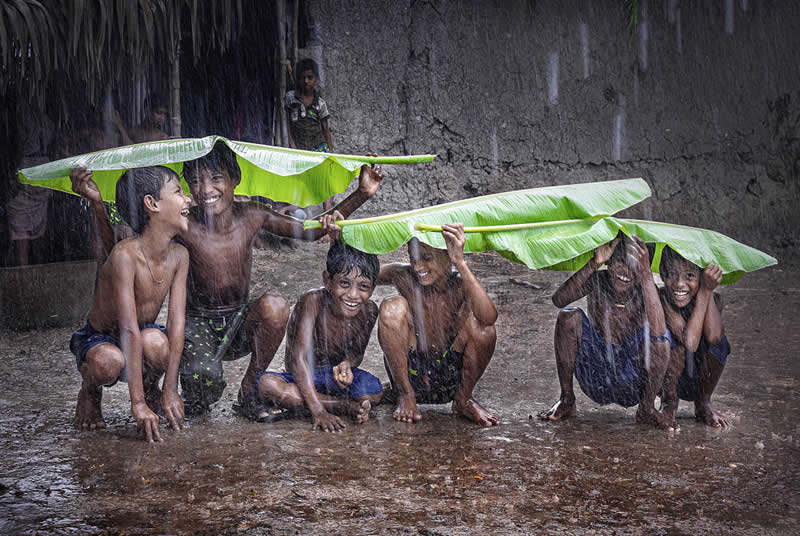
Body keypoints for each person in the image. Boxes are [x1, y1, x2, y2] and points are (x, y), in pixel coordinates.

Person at [70, 141, 383, 419]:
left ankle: (249, 391)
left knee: (274, 306)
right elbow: (123, 246)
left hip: (238, 321)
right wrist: (98, 206)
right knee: (203, 389)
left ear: (236, 180)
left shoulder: (253, 215)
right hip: (197, 323)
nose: (206, 190)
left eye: (216, 178)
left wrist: (361, 194)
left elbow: (312, 231)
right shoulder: (181, 224)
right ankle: (184, 396)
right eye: (194, 182)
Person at [69, 166, 190, 442]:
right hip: (101, 338)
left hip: (142, 328)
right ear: (152, 204)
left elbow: (177, 324)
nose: (188, 199)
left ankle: (152, 390)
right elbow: (128, 329)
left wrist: (170, 389)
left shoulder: (180, 255)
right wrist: (135, 405)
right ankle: (90, 390)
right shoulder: (125, 255)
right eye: (179, 192)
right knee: (109, 363)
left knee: (159, 344)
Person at [255, 213, 383, 431]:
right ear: (327, 281)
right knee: (267, 385)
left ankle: (300, 404)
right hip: (303, 376)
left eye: (363, 287)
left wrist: (347, 365)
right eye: (344, 283)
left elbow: (357, 353)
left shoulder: (370, 310)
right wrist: (318, 411)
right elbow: (298, 360)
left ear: (373, 288)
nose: (353, 295)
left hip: (333, 380)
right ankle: (342, 406)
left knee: (375, 391)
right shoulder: (312, 301)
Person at [539, 234, 672, 428]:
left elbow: (659, 331)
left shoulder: (647, 291)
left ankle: (647, 407)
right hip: (597, 373)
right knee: (568, 317)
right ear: (609, 261)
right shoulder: (598, 280)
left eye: (634, 264)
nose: (625, 271)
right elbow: (559, 300)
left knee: (661, 339)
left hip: (635, 380)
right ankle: (567, 399)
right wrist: (595, 262)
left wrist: (646, 276)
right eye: (619, 260)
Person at [376, 223, 500, 427]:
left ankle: (463, 399)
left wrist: (460, 263)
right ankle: (405, 395)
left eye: (426, 258)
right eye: (413, 258)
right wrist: (338, 240)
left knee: (483, 328)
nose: (418, 267)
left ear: (447, 254)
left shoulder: (460, 283)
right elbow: (359, 272)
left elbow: (488, 319)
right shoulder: (403, 275)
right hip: (412, 374)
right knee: (391, 307)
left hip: (450, 377)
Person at [658, 246, 730, 427]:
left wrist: (707, 291)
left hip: (699, 380)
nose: (679, 284)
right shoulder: (662, 299)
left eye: (689, 276)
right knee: (675, 345)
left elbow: (715, 338)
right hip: (668, 380)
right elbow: (689, 342)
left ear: (701, 278)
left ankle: (704, 403)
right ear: (662, 274)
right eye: (672, 274)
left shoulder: (715, 298)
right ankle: (669, 404)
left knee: (722, 344)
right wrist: (704, 291)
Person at [285, 58, 335, 212]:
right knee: (301, 179)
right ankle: (296, 210)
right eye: (302, 78)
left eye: (310, 78)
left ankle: (326, 212)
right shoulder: (291, 98)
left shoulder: (320, 104)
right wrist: (292, 144)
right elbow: (287, 123)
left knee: (324, 180)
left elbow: (325, 129)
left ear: (316, 80)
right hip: (299, 146)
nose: (306, 81)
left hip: (318, 145)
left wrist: (331, 153)